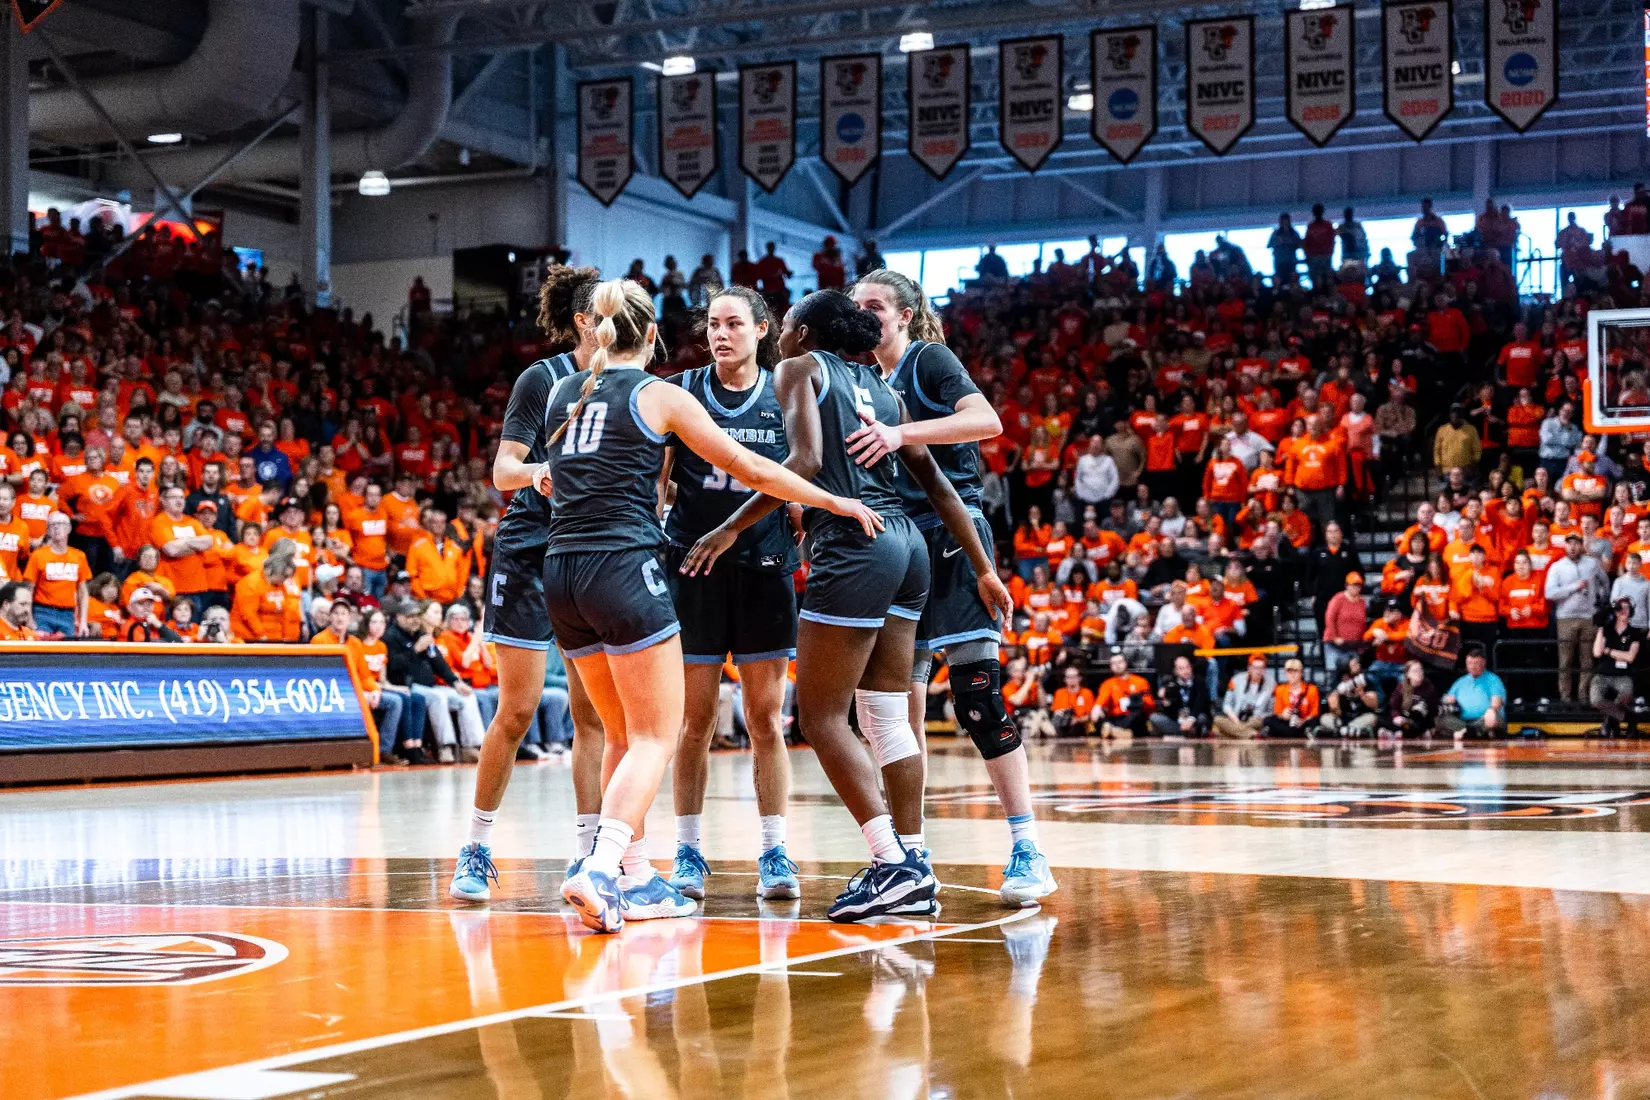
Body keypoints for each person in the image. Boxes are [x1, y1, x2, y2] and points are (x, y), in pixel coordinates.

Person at [550, 279, 883, 934]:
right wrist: (835, 502)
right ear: (652, 338)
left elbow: (558, 478)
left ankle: (638, 877)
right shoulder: (664, 394)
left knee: (622, 731)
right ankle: (600, 867)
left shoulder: (567, 391)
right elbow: (755, 470)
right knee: (655, 735)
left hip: (563, 573)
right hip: (627, 569)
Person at [683, 287, 1008, 922]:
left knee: (822, 717)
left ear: (803, 333)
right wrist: (984, 569)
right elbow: (939, 485)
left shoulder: (798, 368)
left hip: (856, 545)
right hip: (909, 544)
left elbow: (802, 460)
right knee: (886, 715)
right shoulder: (884, 389)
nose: (780, 332)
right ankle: (914, 864)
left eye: (789, 322)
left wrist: (730, 527)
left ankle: (892, 861)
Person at [849, 268, 1054, 906]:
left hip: (952, 535)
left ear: (906, 314)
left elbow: (986, 420)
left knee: (978, 698)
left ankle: (1027, 847)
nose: (865, 316)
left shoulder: (929, 359)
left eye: (876, 306)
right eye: (857, 308)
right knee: (895, 713)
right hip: (896, 548)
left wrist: (902, 433)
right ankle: (912, 854)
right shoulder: (858, 378)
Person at [452, 265, 607, 904]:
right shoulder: (539, 380)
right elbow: (503, 471)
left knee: (591, 712)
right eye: (606, 310)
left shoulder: (633, 384)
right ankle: (476, 848)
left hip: (593, 552)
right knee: (516, 711)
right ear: (583, 321)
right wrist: (543, 469)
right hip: (529, 548)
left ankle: (589, 858)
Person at [657, 287, 803, 904]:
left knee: (765, 719)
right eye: (713, 324)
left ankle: (774, 848)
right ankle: (688, 849)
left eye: (734, 323)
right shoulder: (683, 390)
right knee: (694, 721)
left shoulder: (783, 391)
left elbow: (802, 472)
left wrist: (797, 512)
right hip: (693, 566)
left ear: (763, 330)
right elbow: (658, 483)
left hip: (764, 565)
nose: (721, 334)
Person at [1546, 532, 1608, 703]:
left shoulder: (1592, 564)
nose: (1572, 547)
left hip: (1588, 617)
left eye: (1576, 543)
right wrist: (1574, 587)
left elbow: (1605, 583)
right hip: (1565, 618)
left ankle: (1583, 695)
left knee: (1587, 659)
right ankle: (1565, 697)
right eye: (1569, 543)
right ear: (1565, 546)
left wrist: (1600, 601)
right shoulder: (1557, 567)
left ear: (1581, 545)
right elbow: (1549, 592)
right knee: (1565, 661)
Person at [23, 512, 89, 637]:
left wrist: (83, 621)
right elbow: (29, 589)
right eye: (52, 525)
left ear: (69, 528)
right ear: (48, 531)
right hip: (42, 612)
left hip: (68, 614)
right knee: (40, 652)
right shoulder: (38, 555)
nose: (57, 528)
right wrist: (29, 618)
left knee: (67, 654)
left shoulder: (79, 556)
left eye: (61, 524)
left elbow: (83, 592)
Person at [230, 538, 303, 642]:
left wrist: (285, 636)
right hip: (248, 638)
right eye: (283, 577)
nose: (285, 580)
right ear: (275, 572)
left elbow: (283, 610)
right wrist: (261, 636)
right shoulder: (250, 583)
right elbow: (248, 614)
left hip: (273, 637)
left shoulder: (279, 584)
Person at [1591, 597, 1644, 736]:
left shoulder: (1635, 633)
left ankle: (1610, 720)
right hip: (1603, 674)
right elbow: (1597, 652)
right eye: (1620, 608)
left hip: (1623, 675)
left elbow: (1630, 657)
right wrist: (1601, 628)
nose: (1623, 611)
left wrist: (1608, 651)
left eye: (1627, 608)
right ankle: (1628, 719)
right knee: (1595, 699)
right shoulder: (1607, 630)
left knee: (1624, 697)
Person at [1439, 644, 1507, 739]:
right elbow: (1447, 699)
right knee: (1441, 719)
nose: (1473, 666)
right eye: (1470, 663)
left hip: (1484, 720)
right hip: (1463, 722)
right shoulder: (1460, 682)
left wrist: (1492, 710)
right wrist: (1447, 700)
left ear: (1483, 663)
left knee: (1493, 719)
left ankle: (1468, 733)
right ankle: (1469, 732)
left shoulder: (1493, 679)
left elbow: (1497, 701)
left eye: (1476, 663)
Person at [1093, 649, 1153, 739]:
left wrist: (1137, 702)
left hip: (1134, 718)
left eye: (1120, 662)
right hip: (1116, 718)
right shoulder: (1108, 683)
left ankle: (1114, 731)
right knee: (1097, 715)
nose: (1117, 666)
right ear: (1110, 666)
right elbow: (1102, 699)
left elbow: (1150, 704)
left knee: (1138, 714)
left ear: (1126, 663)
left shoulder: (1140, 681)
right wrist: (1097, 708)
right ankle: (1120, 732)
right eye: (1114, 663)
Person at [1320, 655, 1381, 738]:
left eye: (1358, 664)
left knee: (1372, 717)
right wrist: (1337, 696)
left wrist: (1362, 694)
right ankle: (1346, 730)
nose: (1358, 666)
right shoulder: (1337, 683)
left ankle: (1347, 730)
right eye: (1354, 665)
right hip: (1342, 719)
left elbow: (1374, 704)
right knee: (1325, 718)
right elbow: (1334, 710)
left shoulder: (1364, 680)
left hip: (1360, 717)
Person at [1150, 654, 1211, 737]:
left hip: (1193, 718)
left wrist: (1191, 719)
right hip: (1178, 720)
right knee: (1154, 718)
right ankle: (1184, 733)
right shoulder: (1171, 683)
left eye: (1187, 667)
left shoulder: (1199, 681)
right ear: (1176, 671)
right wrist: (1166, 702)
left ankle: (1180, 734)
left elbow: (1201, 703)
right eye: (1181, 668)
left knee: (1202, 718)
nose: (1185, 671)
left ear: (1191, 667)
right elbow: (1169, 710)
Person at [1215, 654, 1274, 739]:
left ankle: (1233, 733)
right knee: (1217, 720)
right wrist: (1235, 719)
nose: (1258, 671)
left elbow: (1271, 711)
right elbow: (1226, 705)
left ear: (1265, 669)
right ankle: (1253, 734)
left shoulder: (1271, 683)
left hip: (1256, 719)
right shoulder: (1236, 680)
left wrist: (1261, 716)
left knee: (1254, 722)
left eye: (1261, 668)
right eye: (1255, 668)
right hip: (1236, 718)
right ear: (1249, 668)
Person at [1379, 659, 1440, 739]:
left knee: (1417, 725)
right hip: (1404, 718)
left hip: (1420, 720)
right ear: (1408, 674)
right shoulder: (1401, 687)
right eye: (1415, 671)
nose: (1419, 673)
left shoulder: (1429, 688)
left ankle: (1397, 734)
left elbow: (1434, 710)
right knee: (1385, 719)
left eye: (1420, 670)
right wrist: (1397, 717)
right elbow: (1394, 707)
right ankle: (1395, 733)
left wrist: (1423, 711)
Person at [1264, 657, 1320, 738]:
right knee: (1269, 720)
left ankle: (1306, 732)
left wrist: (1303, 721)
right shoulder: (1280, 689)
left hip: (1303, 723)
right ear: (1286, 673)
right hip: (1286, 722)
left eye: (1296, 671)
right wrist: (1283, 715)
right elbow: (1277, 712)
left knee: (1313, 722)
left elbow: (1314, 713)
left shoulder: (1312, 689)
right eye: (1289, 671)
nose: (1292, 674)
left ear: (1302, 673)